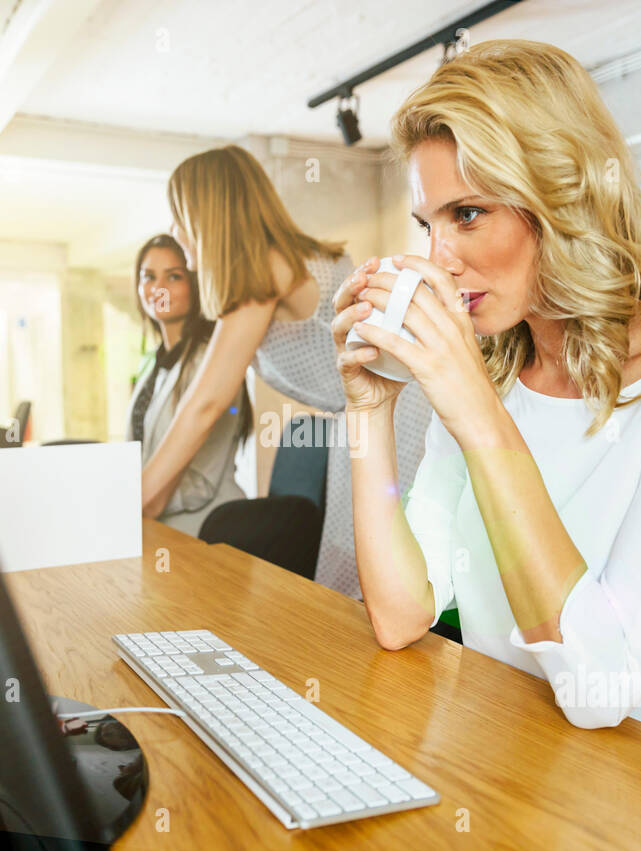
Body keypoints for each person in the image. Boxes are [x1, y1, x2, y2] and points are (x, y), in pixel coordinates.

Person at [331, 39, 641, 777]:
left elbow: (605, 687)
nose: (438, 257)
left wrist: (478, 415)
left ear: (561, 199)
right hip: (520, 762)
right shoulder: (496, 376)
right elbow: (401, 613)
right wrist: (370, 413)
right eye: (427, 225)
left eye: (467, 213)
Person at [143, 144, 432, 597]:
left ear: (208, 214)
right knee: (369, 576)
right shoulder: (277, 262)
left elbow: (206, 403)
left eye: (179, 213)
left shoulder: (264, 268)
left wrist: (141, 501)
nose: (173, 228)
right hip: (372, 411)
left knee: (384, 577)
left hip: (399, 412)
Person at [127, 234, 251, 537]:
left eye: (174, 276)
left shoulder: (211, 362)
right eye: (149, 277)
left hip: (205, 533)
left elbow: (200, 484)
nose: (158, 288)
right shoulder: (155, 366)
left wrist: (136, 503)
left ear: (195, 284)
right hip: (154, 527)